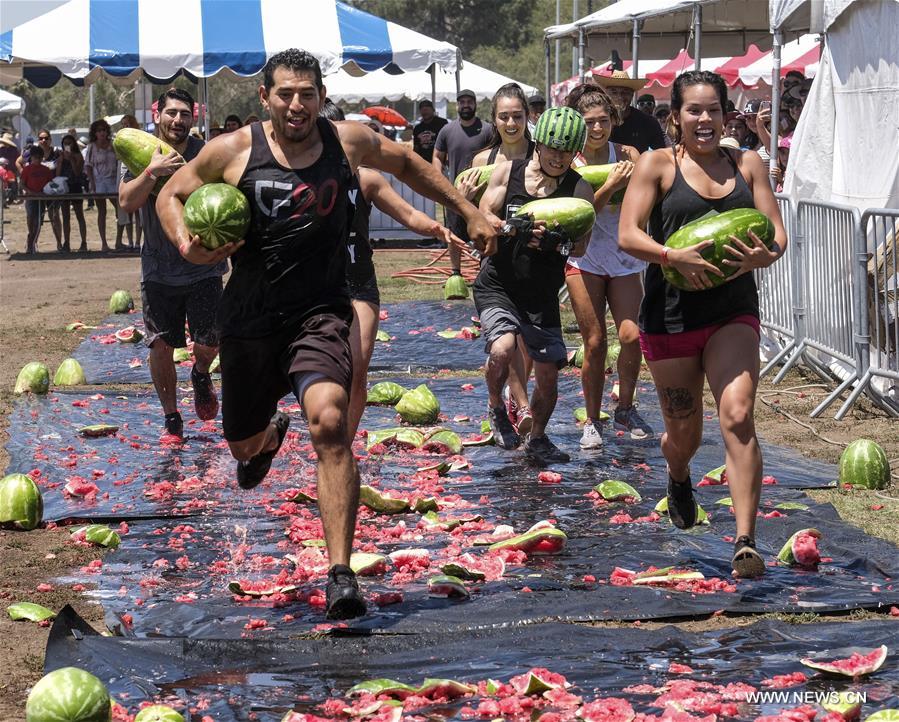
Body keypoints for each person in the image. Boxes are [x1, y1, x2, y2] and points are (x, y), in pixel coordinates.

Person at [156, 49, 493, 620]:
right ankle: (264, 439)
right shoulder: (234, 151)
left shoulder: (348, 141)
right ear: (265, 98)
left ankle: (340, 574)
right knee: (241, 445)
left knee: (332, 422)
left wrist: (468, 209)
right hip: (249, 319)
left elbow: (408, 164)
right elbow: (172, 194)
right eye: (285, 94)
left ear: (320, 96)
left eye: (307, 94)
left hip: (320, 311)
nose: (296, 105)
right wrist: (188, 243)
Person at [618, 70, 787, 578]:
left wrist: (765, 256)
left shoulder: (748, 164)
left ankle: (745, 540)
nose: (704, 119)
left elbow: (777, 234)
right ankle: (678, 473)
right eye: (693, 110)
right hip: (670, 319)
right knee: (683, 435)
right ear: (676, 117)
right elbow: (628, 235)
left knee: (737, 416)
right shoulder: (657, 166)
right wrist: (672, 254)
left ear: (725, 114)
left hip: (732, 311)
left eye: (713, 109)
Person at [320, 99, 461, 439]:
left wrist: (436, 228)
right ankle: (325, 434)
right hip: (317, 287)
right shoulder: (298, 181)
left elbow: (408, 214)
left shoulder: (366, 180)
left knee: (357, 367)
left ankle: (345, 446)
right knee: (323, 372)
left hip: (358, 284)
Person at [473, 106, 594, 464]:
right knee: (502, 348)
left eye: (567, 151)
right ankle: (497, 408)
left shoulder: (579, 189)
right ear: (538, 143)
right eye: (553, 148)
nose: (559, 158)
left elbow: (582, 247)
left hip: (541, 294)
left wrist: (556, 241)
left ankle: (538, 438)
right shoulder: (508, 172)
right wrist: (513, 227)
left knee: (549, 376)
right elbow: (482, 216)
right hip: (499, 284)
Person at [119, 88, 226, 440]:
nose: (178, 120)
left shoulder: (204, 153)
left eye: (184, 114)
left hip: (203, 265)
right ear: (157, 114)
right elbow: (126, 202)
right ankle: (171, 418)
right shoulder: (141, 151)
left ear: (193, 117)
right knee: (160, 345)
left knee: (209, 343)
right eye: (171, 113)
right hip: (158, 268)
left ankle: (199, 373)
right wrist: (151, 171)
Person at [563, 84, 651, 449]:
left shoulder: (628, 153)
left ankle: (626, 408)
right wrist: (611, 184)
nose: (597, 129)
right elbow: (577, 216)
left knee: (631, 336)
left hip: (624, 255)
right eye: (589, 123)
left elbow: (647, 197)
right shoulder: (569, 161)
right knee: (595, 342)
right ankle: (593, 419)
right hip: (584, 257)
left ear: (613, 121)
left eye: (603, 121)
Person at [457, 82, 536, 436]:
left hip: (536, 266)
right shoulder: (482, 162)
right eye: (504, 116)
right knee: (507, 341)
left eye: (517, 116)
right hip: (496, 264)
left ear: (528, 117)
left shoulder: (542, 156)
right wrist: (466, 201)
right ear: (494, 120)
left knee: (527, 347)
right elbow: (468, 219)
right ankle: (516, 404)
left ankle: (514, 400)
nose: (511, 123)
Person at [433, 88, 494, 293]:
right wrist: (439, 179)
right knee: (454, 234)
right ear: (457, 105)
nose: (466, 105)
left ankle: (484, 271)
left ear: (475, 104)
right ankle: (455, 272)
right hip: (455, 193)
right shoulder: (447, 131)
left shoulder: (487, 130)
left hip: (481, 194)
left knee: (484, 232)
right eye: (462, 102)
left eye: (469, 101)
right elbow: (437, 157)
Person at [594, 70, 667, 153]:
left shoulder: (647, 122)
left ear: (632, 95)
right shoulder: (598, 122)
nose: (619, 97)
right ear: (606, 95)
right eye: (614, 92)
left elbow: (660, 153)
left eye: (625, 92)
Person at [84, 118, 120, 252]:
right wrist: (92, 183)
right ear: (95, 133)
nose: (102, 133)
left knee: (119, 211)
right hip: (98, 182)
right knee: (102, 212)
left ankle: (118, 240)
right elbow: (88, 166)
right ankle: (104, 243)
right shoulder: (91, 147)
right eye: (99, 130)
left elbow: (119, 163)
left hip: (113, 181)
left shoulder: (113, 145)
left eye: (104, 130)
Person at [20, 145, 55, 254]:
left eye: (40, 157)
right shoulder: (27, 169)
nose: (38, 159)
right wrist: (30, 192)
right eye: (35, 157)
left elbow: (50, 184)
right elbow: (22, 184)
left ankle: (33, 242)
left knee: (38, 222)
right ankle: (30, 240)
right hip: (30, 198)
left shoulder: (46, 170)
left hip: (41, 198)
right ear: (31, 157)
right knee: (31, 219)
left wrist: (48, 191)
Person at [55, 134, 87, 252]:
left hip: (75, 186)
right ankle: (66, 242)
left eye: (69, 143)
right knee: (65, 216)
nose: (67, 145)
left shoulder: (78, 156)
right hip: (64, 187)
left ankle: (83, 242)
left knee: (79, 215)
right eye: (65, 143)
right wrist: (61, 161)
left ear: (74, 144)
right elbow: (57, 175)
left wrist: (72, 159)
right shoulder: (61, 156)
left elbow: (78, 172)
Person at [115, 114, 143, 251]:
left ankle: (138, 241)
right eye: (123, 124)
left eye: (128, 124)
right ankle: (130, 241)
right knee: (127, 211)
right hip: (124, 171)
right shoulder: (120, 140)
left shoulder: (141, 137)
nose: (126, 127)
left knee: (139, 212)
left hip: (138, 171)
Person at [411, 99, 447, 164]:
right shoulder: (417, 128)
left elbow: (448, 143)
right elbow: (416, 148)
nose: (425, 112)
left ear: (433, 110)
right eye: (423, 110)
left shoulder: (442, 123)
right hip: (423, 163)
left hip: (440, 162)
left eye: (427, 110)